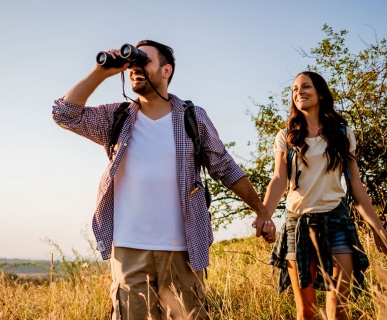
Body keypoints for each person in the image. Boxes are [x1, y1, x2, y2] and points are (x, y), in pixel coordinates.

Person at [52, 39, 275, 319]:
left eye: (143, 60)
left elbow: (225, 167)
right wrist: (100, 72)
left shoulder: (191, 117)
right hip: (128, 249)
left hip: (182, 249)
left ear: (166, 70)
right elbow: (63, 114)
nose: (135, 67)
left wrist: (261, 210)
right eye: (132, 62)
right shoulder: (116, 117)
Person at [264, 71, 387, 320]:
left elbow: (356, 186)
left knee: (339, 305)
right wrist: (264, 215)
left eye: (306, 87)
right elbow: (278, 180)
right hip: (297, 224)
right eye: (295, 90)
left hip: (337, 222)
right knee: (306, 311)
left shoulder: (342, 133)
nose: (299, 92)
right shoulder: (286, 137)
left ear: (320, 93)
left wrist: (378, 228)